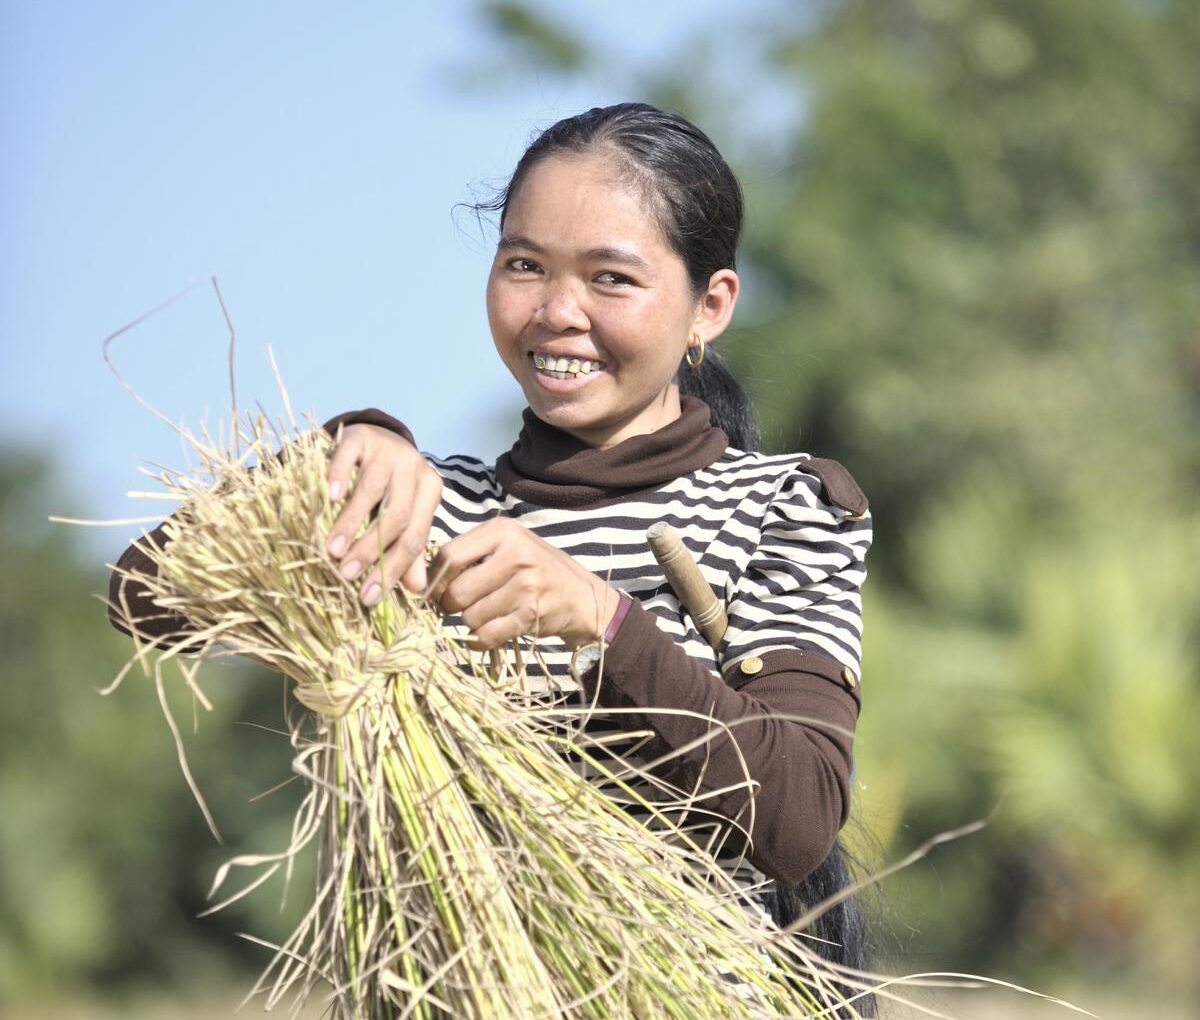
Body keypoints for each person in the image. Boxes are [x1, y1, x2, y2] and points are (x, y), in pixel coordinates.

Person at [110, 102, 874, 1012]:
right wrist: (339, 452)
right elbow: (147, 600)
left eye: (611, 278)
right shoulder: (422, 509)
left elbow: (796, 818)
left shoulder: (786, 506)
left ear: (710, 305)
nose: (556, 313)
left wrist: (605, 621)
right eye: (524, 265)